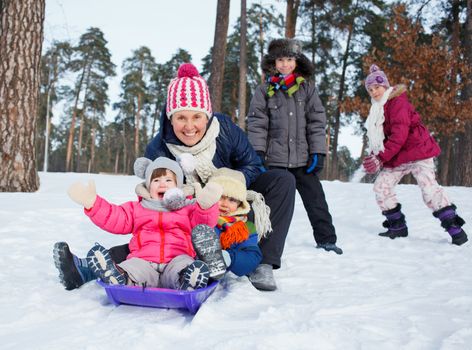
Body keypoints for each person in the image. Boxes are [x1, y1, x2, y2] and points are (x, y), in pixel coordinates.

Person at [54, 62, 296, 292]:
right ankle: (86, 268)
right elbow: (148, 209)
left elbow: (252, 164)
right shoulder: (158, 148)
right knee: (153, 236)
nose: (189, 126)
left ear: (207, 116)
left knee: (282, 180)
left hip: (228, 203)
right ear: (171, 118)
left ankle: (263, 262)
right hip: (186, 215)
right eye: (181, 117)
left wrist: (223, 187)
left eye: (196, 117)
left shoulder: (225, 130)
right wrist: (186, 196)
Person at [62, 156, 223, 291]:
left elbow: (203, 224)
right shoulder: (137, 208)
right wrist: (94, 204)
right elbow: (115, 218)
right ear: (148, 184)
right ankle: (120, 277)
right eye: (156, 180)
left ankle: (188, 280)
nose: (162, 184)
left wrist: (206, 207)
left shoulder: (187, 208)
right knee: (132, 267)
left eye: (169, 180)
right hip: (144, 260)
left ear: (178, 186)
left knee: (183, 266)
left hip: (176, 258)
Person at [246, 38, 343, 260]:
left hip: (302, 161)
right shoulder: (265, 91)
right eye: (280, 60)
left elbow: (317, 122)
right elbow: (257, 122)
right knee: (266, 205)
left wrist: (317, 152)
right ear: (273, 63)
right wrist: (258, 151)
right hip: (275, 161)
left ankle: (327, 239)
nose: (285, 64)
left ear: (297, 61)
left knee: (316, 199)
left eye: (289, 59)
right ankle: (256, 240)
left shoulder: (307, 90)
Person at [361, 64, 468, 246]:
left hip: (418, 152)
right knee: (381, 187)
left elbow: (399, 136)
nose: (374, 92)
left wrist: (380, 158)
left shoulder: (397, 103)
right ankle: (397, 227)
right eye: (370, 89)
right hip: (397, 156)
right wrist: (374, 157)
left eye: (377, 87)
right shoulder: (377, 109)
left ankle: (455, 229)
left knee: (429, 191)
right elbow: (380, 138)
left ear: (386, 86)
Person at [193, 167, 263, 277]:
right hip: (193, 261)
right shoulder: (199, 216)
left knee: (252, 255)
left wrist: (228, 257)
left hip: (226, 261)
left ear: (240, 204)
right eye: (221, 197)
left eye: (232, 200)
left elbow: (252, 255)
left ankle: (217, 263)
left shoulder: (245, 227)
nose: (225, 204)